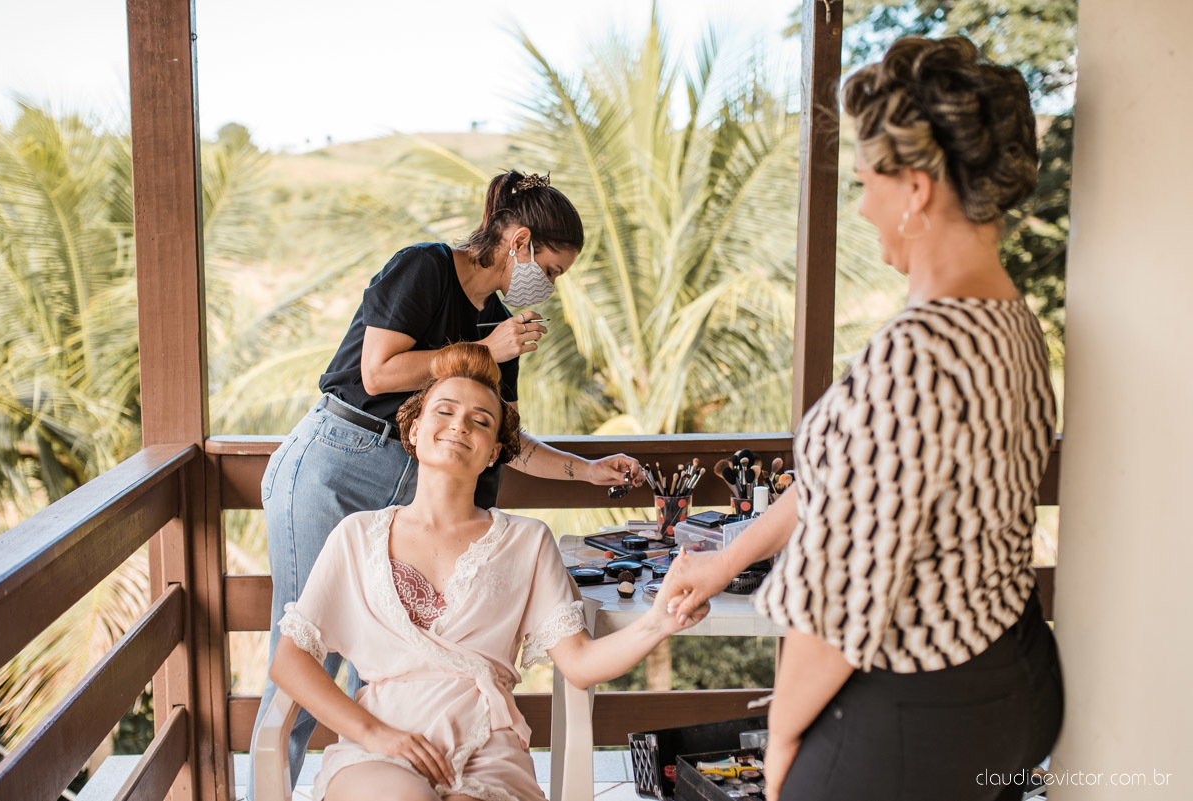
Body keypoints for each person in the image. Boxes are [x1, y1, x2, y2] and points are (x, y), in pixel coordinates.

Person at [665, 36, 1064, 801]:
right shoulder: (1010, 319)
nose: (862, 205)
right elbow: (845, 481)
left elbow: (836, 600)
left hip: (919, 711)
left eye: (864, 183)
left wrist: (781, 738)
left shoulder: (915, 354)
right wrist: (723, 560)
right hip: (1015, 679)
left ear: (915, 190)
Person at [249, 170, 645, 794]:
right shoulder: (425, 270)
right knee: (303, 663)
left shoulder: (498, 324)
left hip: (409, 480)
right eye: (553, 269)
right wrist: (487, 347)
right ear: (518, 243)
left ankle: (396, 771)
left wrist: (586, 470)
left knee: (387, 662)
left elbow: (504, 439)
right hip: (338, 462)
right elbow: (377, 374)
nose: (551, 286)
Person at [268, 343, 707, 801]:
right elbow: (290, 660)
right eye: (445, 411)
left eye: (480, 420)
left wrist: (661, 620)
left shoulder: (527, 541)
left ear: (494, 451)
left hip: (489, 744)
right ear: (414, 429)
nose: (460, 424)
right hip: (380, 742)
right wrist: (376, 734)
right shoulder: (356, 535)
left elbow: (579, 664)